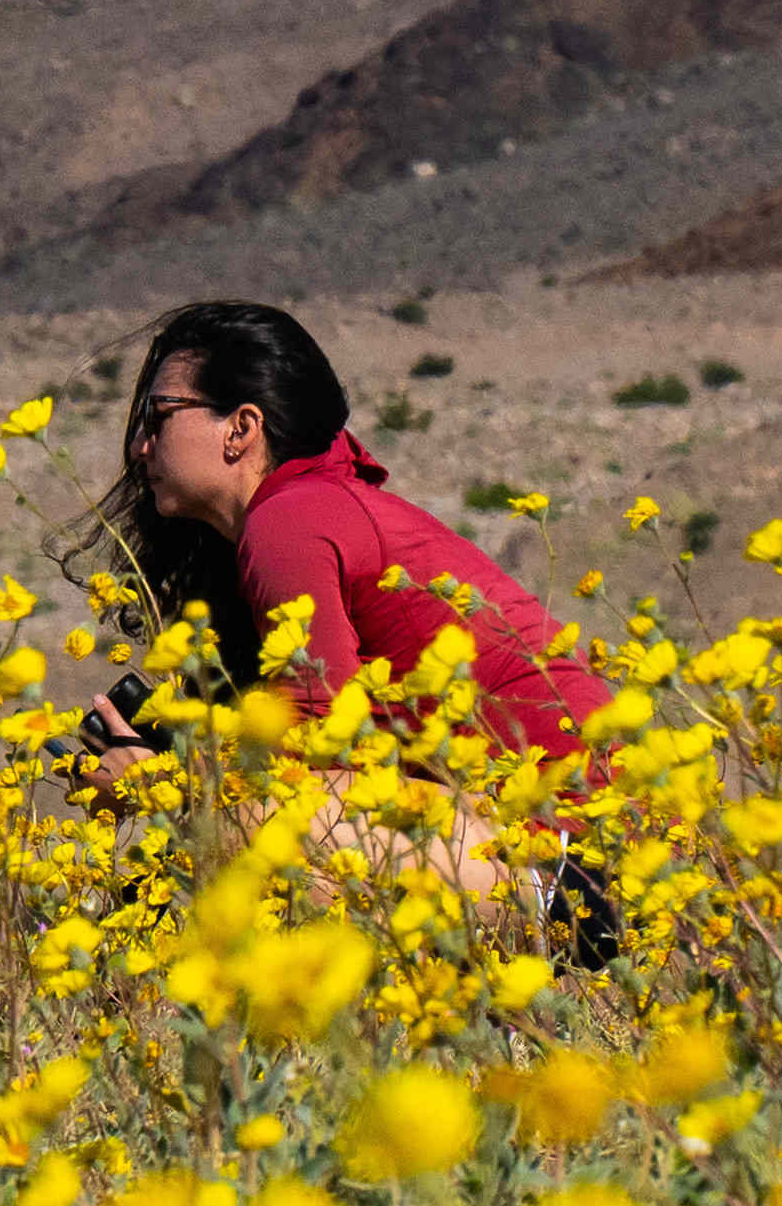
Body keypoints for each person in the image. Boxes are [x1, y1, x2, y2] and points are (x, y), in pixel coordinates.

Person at [105, 296, 619, 945]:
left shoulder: (289, 519)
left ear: (241, 428)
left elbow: (317, 755)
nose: (139, 444)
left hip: (578, 868)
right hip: (552, 847)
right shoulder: (312, 508)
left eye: (159, 415)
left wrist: (165, 789)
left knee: (244, 827)